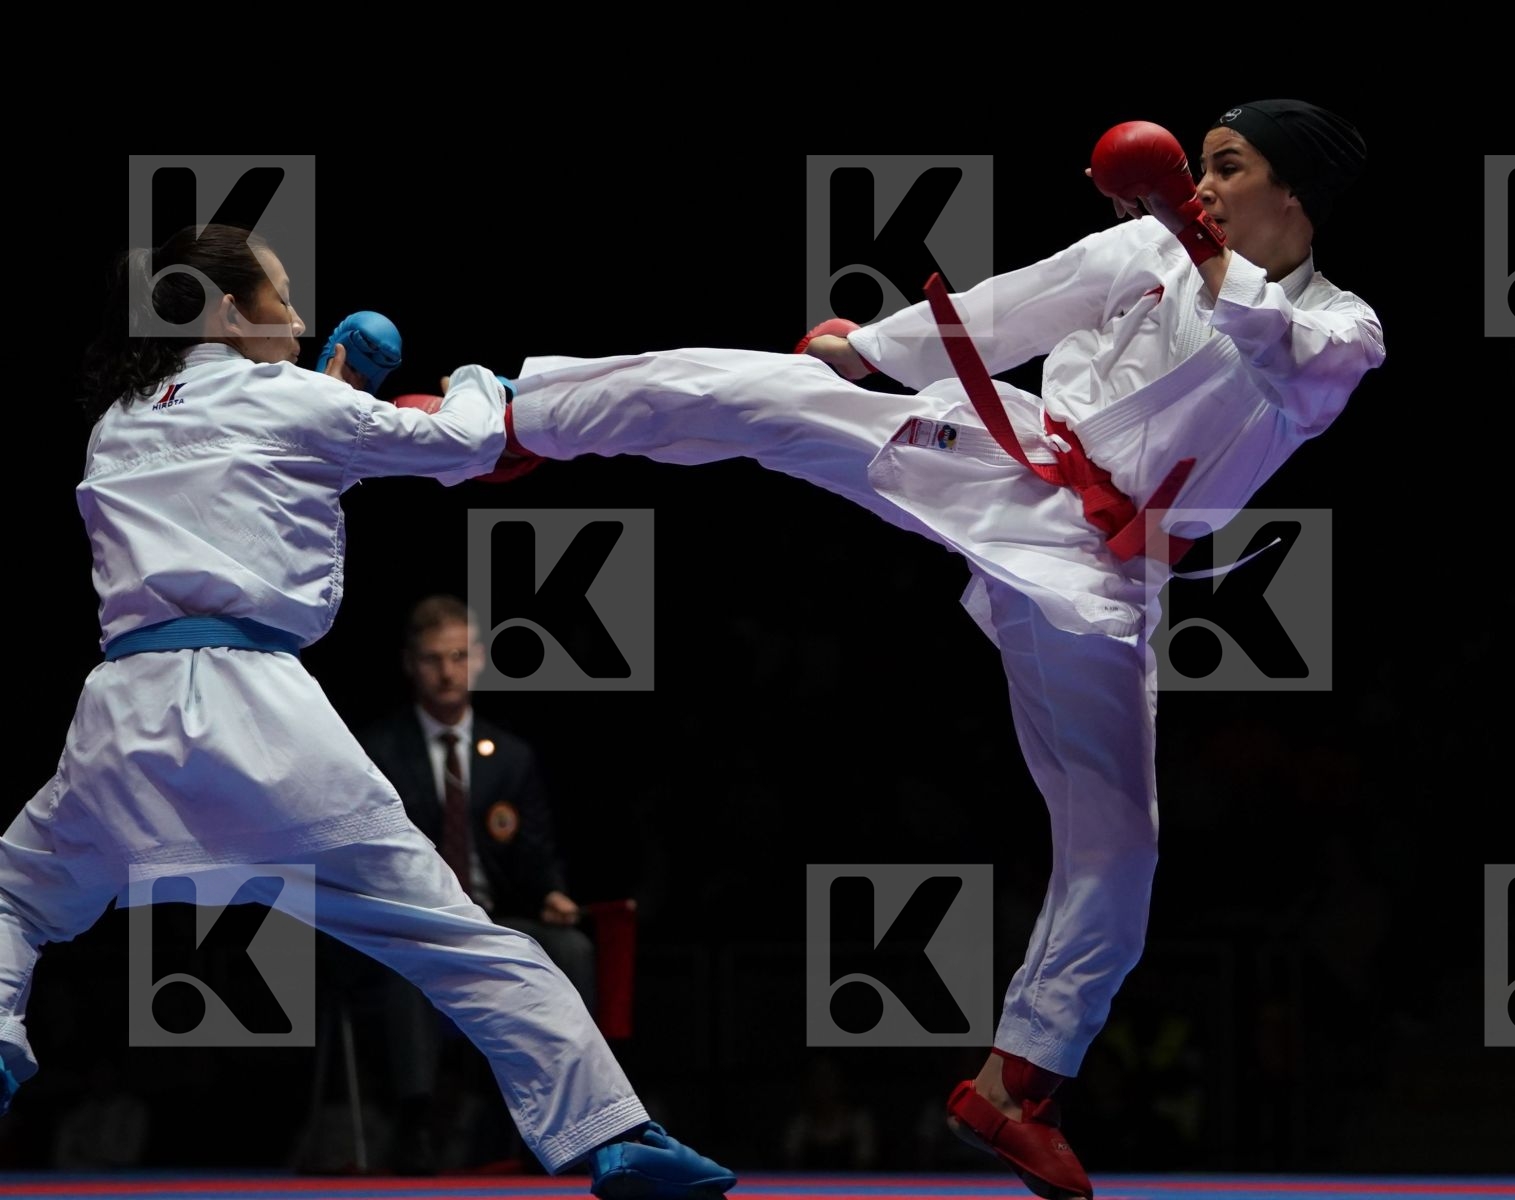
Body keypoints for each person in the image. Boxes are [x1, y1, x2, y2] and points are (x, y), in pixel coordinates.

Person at [485, 99, 1382, 1199]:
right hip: (1006, 466)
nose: (1198, 187)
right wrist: (868, 349)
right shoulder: (1151, 248)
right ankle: (512, 418)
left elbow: (1273, 344)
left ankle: (1014, 1088)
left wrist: (1191, 235)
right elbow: (1020, 303)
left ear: (1293, 191)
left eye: (1226, 168)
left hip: (1107, 578)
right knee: (772, 399)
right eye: (1192, 168)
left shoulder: (1345, 331)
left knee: (1118, 850)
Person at [0, 222, 734, 1199]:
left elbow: (258, 472)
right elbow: (459, 444)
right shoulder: (286, 396)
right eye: (282, 295)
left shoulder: (119, 421)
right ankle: (615, 1134)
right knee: (454, 939)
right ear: (230, 312)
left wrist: (330, 395)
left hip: (123, 725)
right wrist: (477, 383)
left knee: (15, 895)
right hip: (257, 716)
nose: (300, 318)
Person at [346, 593, 598, 1173]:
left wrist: (552, 893)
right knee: (408, 959)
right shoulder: (376, 752)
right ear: (410, 664)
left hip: (494, 919)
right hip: (414, 918)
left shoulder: (510, 757)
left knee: (571, 949)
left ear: (479, 659)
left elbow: (534, 855)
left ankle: (568, 1118)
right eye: (433, 658)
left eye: (459, 656)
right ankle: (416, 1124)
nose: (447, 671)